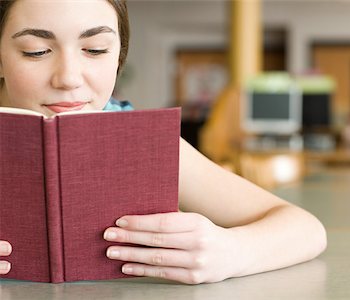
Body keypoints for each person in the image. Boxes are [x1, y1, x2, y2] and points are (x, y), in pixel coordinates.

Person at [0, 0, 326, 284]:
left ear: (118, 56)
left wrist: (234, 251)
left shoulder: (144, 142)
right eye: (36, 51)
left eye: (95, 49)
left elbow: (306, 229)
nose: (69, 78)